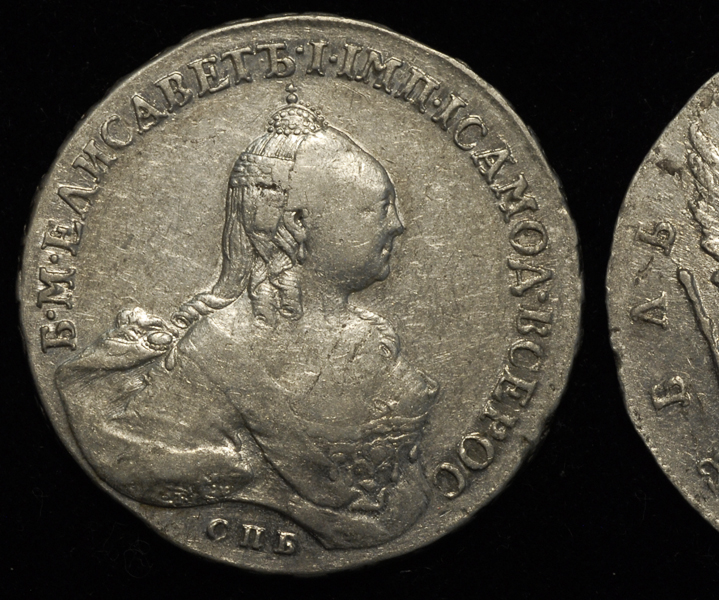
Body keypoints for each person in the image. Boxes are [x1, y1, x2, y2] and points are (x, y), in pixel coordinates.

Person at [54, 89, 438, 549]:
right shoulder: (211, 359)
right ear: (298, 222)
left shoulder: (372, 338)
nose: (398, 223)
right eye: (378, 207)